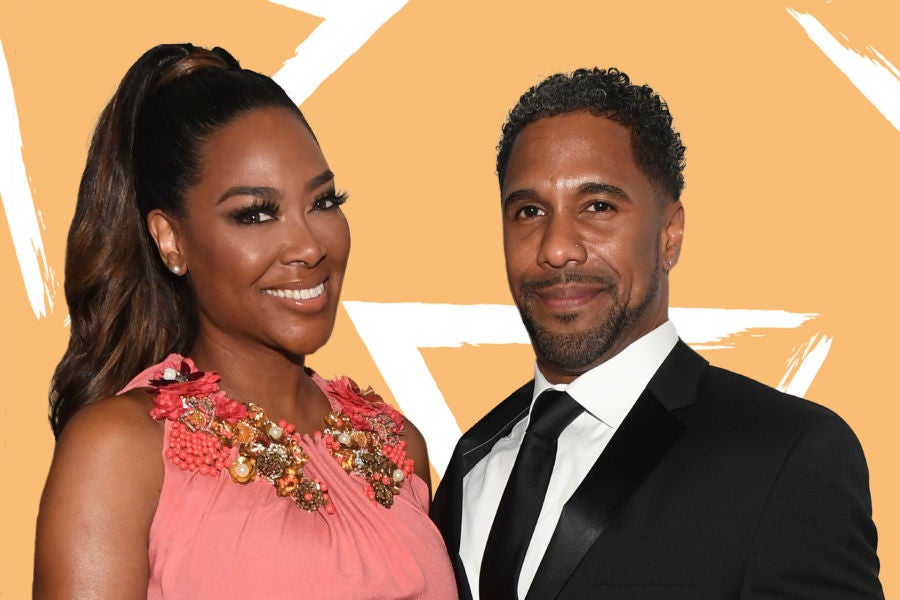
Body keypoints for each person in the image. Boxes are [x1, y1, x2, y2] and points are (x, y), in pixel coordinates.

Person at [431, 67, 883, 599]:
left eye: (598, 207)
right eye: (529, 211)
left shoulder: (787, 454)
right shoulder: (472, 459)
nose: (556, 248)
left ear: (670, 234)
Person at [34, 43, 457, 599]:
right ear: (171, 240)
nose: (308, 246)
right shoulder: (121, 451)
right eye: (255, 214)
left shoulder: (398, 444)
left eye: (324, 202)